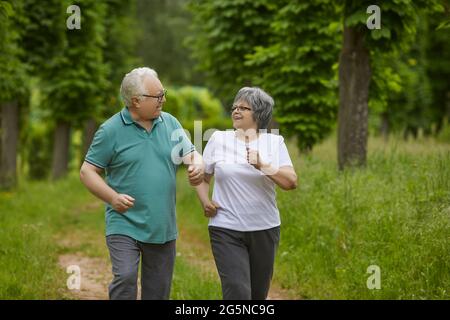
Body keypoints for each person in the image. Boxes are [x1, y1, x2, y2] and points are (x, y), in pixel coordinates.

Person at [79, 67, 204, 300]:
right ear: (136, 101)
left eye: (163, 93)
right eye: (158, 96)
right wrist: (112, 198)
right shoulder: (110, 130)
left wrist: (197, 165)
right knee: (126, 277)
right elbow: (88, 171)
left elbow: (192, 155)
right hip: (123, 223)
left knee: (157, 292)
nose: (163, 99)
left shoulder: (171, 123)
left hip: (161, 225)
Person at [195, 87, 297, 300]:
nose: (236, 111)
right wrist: (205, 200)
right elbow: (203, 179)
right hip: (225, 227)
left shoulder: (274, 142)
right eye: (235, 107)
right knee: (237, 293)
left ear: (259, 113)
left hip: (265, 228)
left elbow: (290, 182)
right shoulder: (218, 139)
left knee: (257, 295)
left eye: (244, 108)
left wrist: (263, 165)